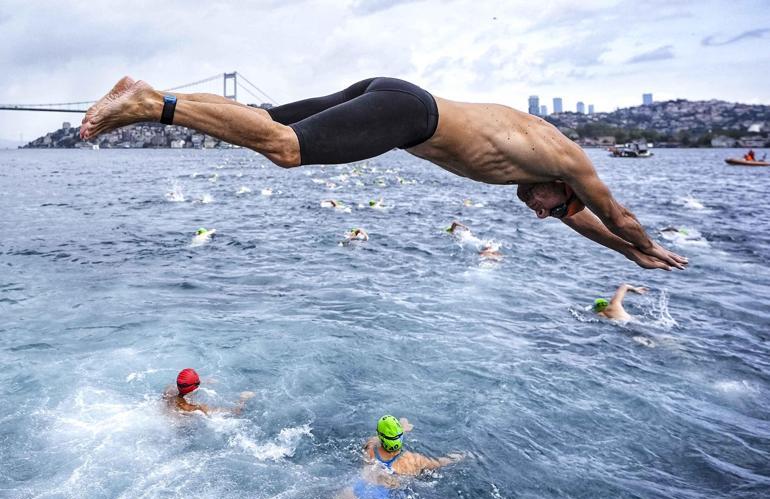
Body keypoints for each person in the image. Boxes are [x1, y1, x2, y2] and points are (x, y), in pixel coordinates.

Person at [80, 76, 687, 271]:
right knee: (285, 149)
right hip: (410, 114)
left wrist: (626, 256)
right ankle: (150, 105)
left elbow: (583, 221)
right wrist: (647, 244)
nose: (539, 212)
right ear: (568, 189)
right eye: (551, 207)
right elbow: (615, 214)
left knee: (261, 120)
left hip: (395, 95)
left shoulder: (538, 171)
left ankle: (146, 92)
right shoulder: (567, 161)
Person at [322, 415, 463, 499]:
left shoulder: (370, 448)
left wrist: (401, 428)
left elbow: (381, 438)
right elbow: (440, 462)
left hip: (353, 492)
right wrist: (459, 456)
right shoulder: (412, 460)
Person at [163, 368, 254, 415]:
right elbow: (235, 412)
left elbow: (184, 384)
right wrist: (242, 400)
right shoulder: (197, 408)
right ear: (195, 386)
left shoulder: (169, 390)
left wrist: (207, 381)